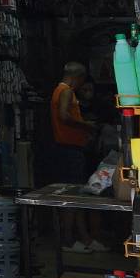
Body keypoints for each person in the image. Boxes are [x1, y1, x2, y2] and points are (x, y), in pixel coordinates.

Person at [50, 60, 105, 254]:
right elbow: (64, 116)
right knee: (71, 195)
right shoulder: (66, 92)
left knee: (75, 194)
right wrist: (86, 126)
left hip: (68, 148)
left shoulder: (59, 91)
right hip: (69, 149)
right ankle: (68, 240)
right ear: (78, 77)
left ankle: (82, 238)